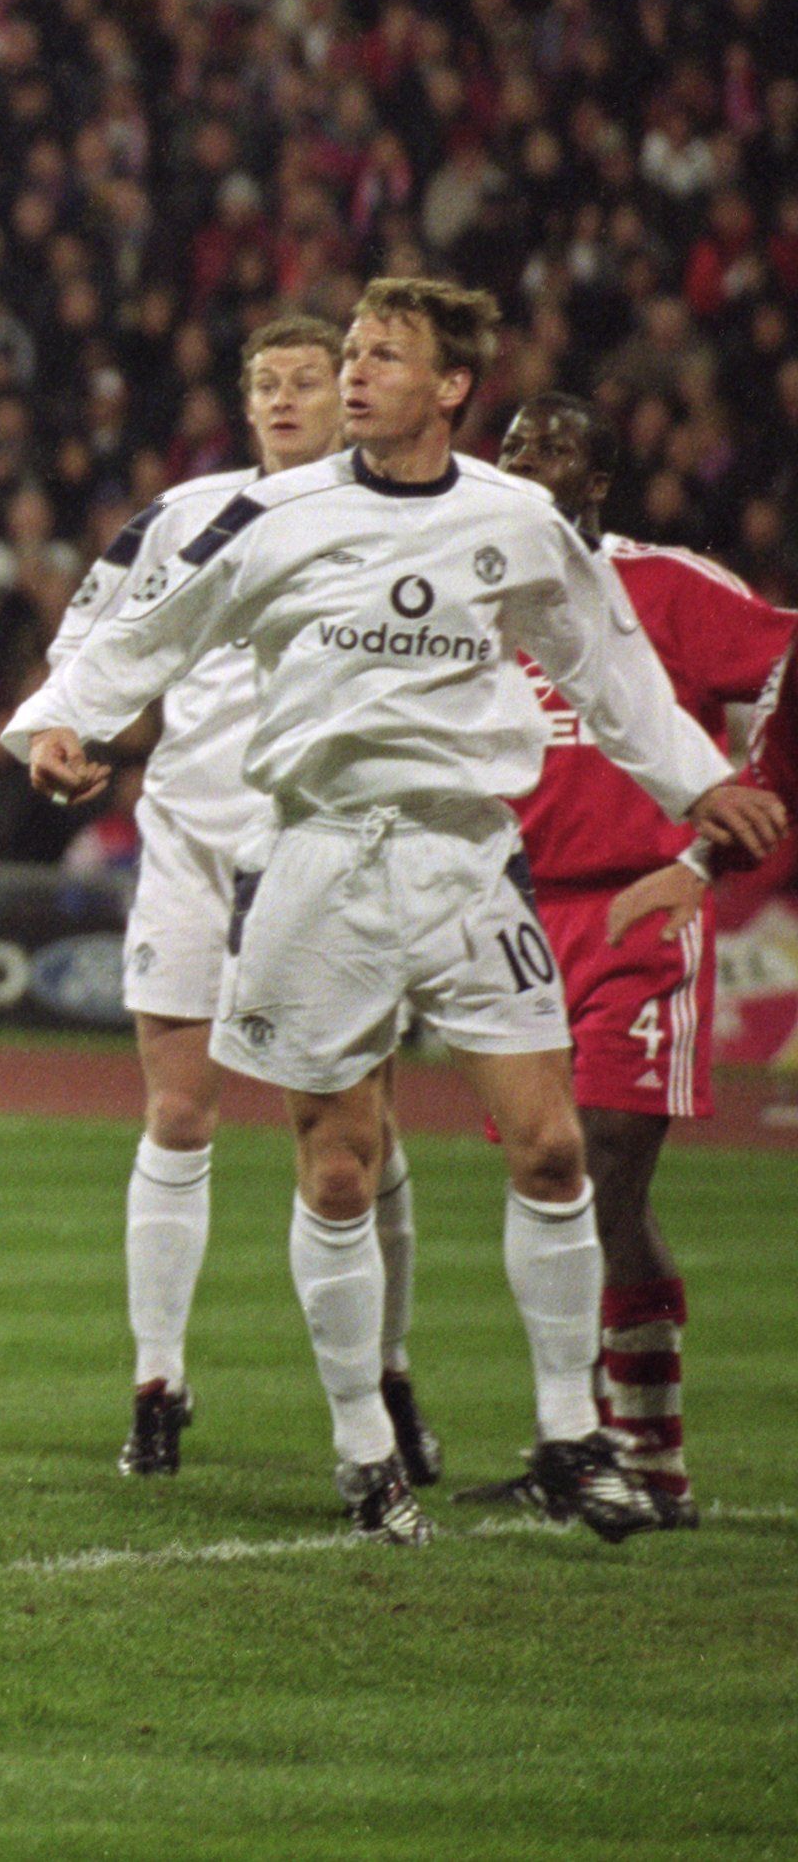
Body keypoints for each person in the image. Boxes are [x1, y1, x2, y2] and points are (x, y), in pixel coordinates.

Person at [7, 277, 786, 1546]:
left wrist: (701, 785)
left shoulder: (518, 518)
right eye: (352, 352)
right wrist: (66, 723)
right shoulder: (274, 511)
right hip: (318, 863)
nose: (354, 374)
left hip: (469, 861)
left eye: (383, 356)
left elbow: (607, 667)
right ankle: (366, 1456)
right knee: (335, 1170)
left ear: (452, 387)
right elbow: (155, 622)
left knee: (550, 1151)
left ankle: (569, 1434)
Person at [27, 316, 386, 1480]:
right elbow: (90, 635)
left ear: (351, 393)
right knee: (177, 1114)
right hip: (185, 836)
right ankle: (158, 1382)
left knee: (344, 1144)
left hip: (323, 843)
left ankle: (386, 1385)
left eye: (305, 381)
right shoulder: (188, 512)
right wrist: (59, 729)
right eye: (264, 383)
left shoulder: (396, 515)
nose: (283, 400)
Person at [477, 393, 792, 1527]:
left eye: (556, 443)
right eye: (512, 442)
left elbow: (786, 665)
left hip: (638, 903)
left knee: (607, 1159)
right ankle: (590, 1440)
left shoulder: (668, 583)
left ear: (600, 480)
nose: (526, 458)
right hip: (509, 909)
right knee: (551, 1175)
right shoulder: (477, 578)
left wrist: (744, 798)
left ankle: (635, 1453)